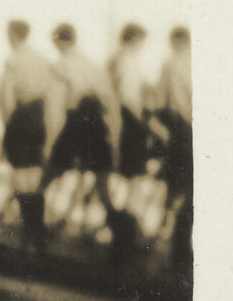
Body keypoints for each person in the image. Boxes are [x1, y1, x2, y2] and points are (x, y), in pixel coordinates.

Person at [45, 22, 134, 260]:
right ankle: (123, 237)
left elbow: (56, 107)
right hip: (96, 125)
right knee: (103, 186)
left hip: (75, 123)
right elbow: (111, 104)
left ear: (58, 41)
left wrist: (51, 141)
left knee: (50, 173)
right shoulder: (93, 66)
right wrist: (113, 139)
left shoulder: (60, 66)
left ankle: (35, 232)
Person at [0, 18, 56, 250]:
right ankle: (37, 231)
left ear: (12, 35)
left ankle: (29, 232)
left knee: (21, 174)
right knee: (34, 173)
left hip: (21, 114)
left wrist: (7, 124)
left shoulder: (13, 60)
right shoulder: (43, 60)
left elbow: (7, 96)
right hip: (40, 115)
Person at [108, 23, 161, 229]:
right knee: (134, 176)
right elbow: (128, 97)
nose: (142, 45)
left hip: (124, 118)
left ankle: (123, 222)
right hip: (130, 120)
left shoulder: (119, 58)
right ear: (133, 39)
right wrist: (147, 124)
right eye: (141, 41)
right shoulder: (127, 60)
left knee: (127, 176)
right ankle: (127, 224)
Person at [153, 26, 192, 276]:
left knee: (175, 184)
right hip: (192, 128)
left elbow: (160, 101)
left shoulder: (170, 65)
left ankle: (165, 233)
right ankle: (178, 243)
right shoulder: (192, 63)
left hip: (179, 128)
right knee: (187, 187)